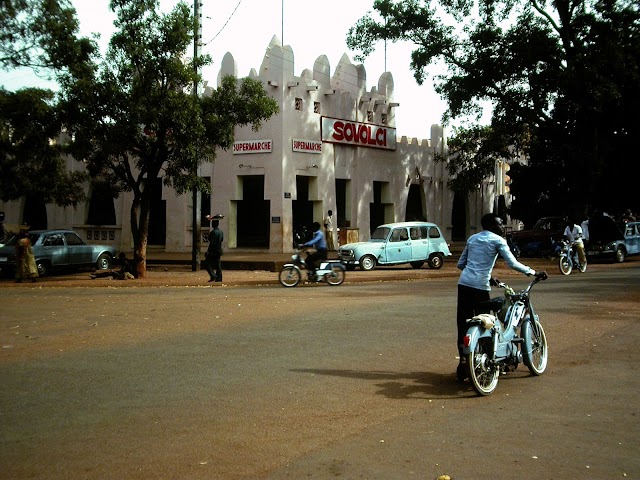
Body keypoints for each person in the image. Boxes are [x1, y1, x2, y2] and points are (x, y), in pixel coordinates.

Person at [456, 213, 544, 381]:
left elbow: (461, 264)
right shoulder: (498, 241)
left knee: (463, 323)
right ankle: (489, 361)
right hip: (480, 287)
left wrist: (485, 274)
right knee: (487, 324)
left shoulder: (473, 239)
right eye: (500, 223)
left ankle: (463, 362)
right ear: (490, 225)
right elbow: (512, 263)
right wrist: (533, 272)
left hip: (464, 284)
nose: (503, 226)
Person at [204, 215, 224, 282]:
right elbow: (221, 240)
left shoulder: (212, 232)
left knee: (207, 264)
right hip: (219, 250)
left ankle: (214, 276)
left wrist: (208, 251)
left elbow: (211, 243)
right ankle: (219, 278)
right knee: (218, 265)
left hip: (213, 251)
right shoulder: (221, 232)